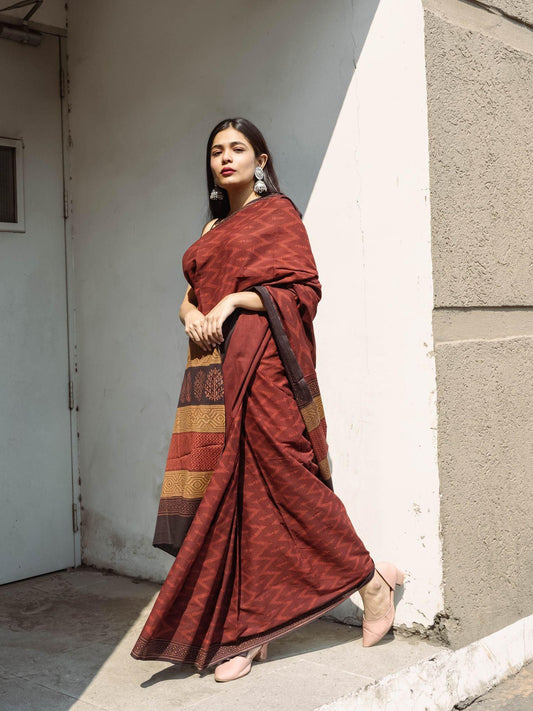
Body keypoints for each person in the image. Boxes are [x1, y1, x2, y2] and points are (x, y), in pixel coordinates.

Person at [130, 117, 404, 682]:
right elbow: (192, 293)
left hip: (267, 363)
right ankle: (250, 630)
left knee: (288, 475)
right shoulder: (212, 228)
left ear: (260, 160)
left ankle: (371, 582)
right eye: (216, 151)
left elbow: (303, 290)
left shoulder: (278, 215)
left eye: (237, 148)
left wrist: (234, 301)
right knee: (235, 492)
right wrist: (189, 312)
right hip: (218, 370)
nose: (225, 158)